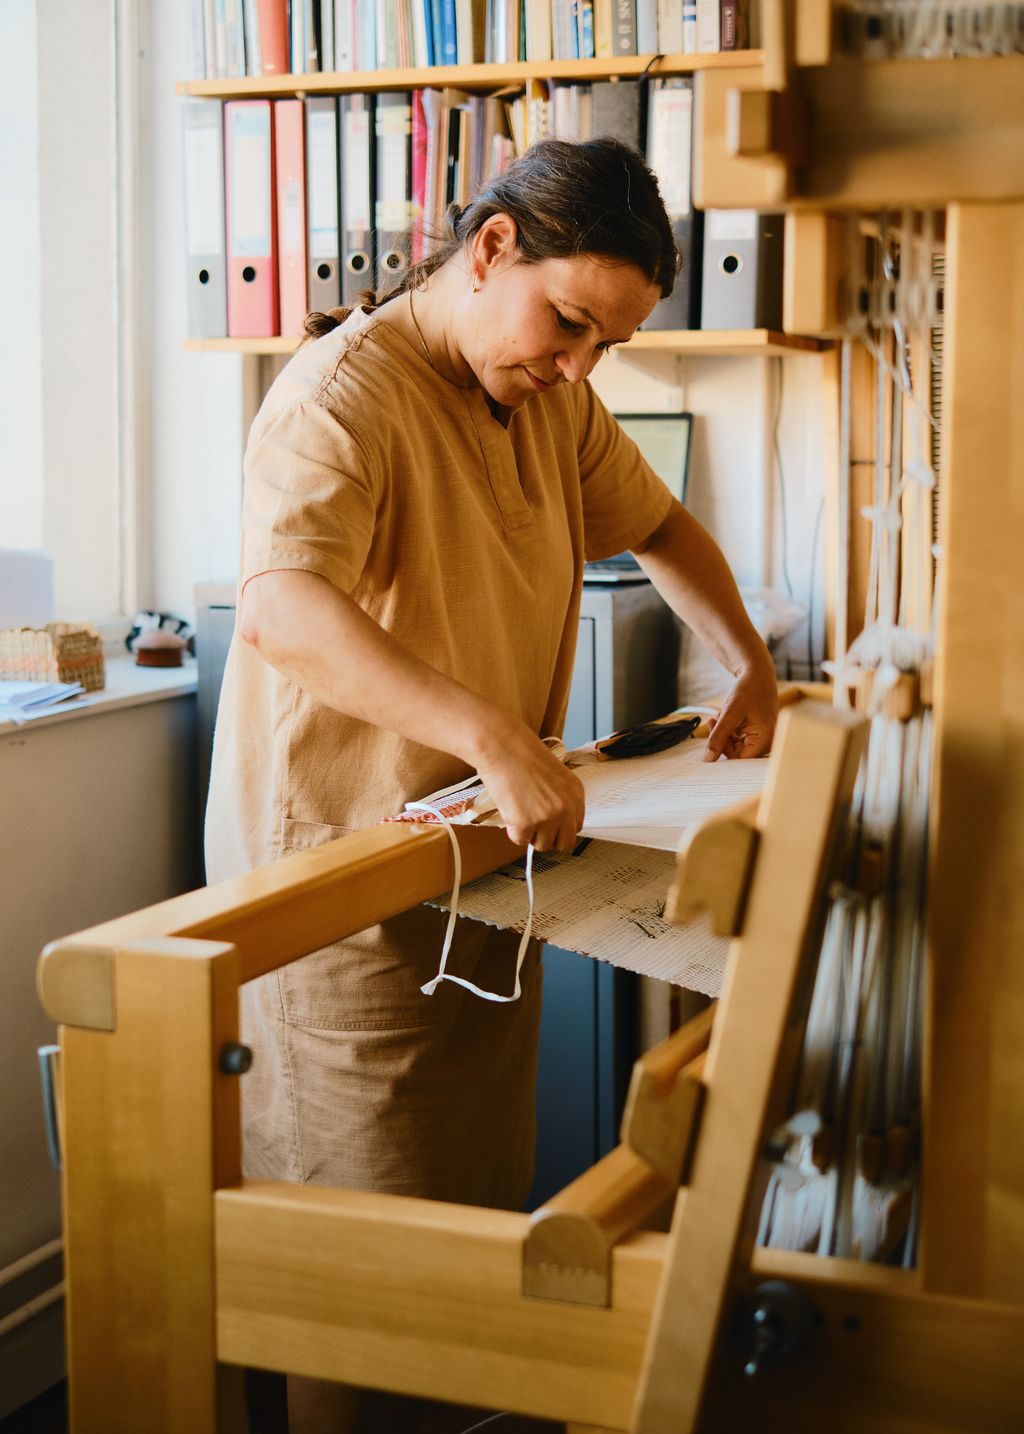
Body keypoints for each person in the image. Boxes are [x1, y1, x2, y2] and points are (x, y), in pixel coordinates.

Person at [205, 136, 777, 1431]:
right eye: (569, 324)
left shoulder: (550, 398)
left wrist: (747, 659)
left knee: (463, 1248)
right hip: (346, 890)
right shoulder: (340, 397)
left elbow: (661, 525)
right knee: (356, 1277)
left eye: (608, 345)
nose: (581, 366)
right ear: (493, 247)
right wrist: (488, 732)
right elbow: (282, 609)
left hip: (480, 876)